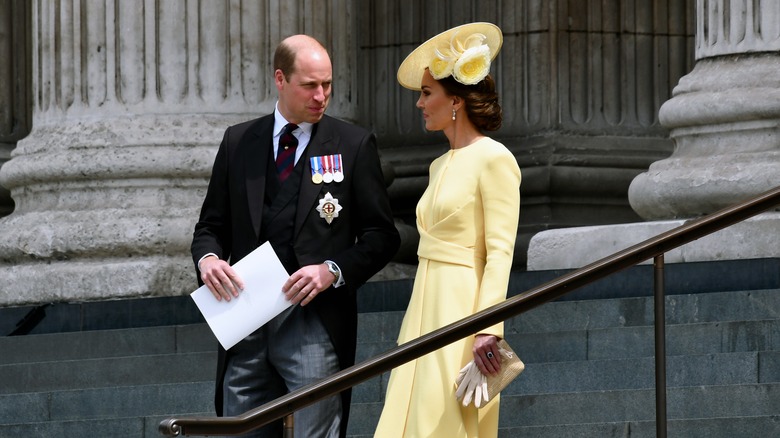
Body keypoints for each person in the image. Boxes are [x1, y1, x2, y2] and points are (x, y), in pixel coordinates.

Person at [191, 34, 400, 438]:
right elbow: (210, 227)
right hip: (245, 319)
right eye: (310, 85)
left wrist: (332, 270)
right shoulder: (238, 142)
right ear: (280, 79)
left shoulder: (354, 144)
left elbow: (382, 235)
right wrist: (209, 261)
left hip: (314, 320)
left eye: (327, 84)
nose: (321, 96)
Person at [374, 22, 521, 437]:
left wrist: (488, 327)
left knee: (444, 420)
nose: (420, 103)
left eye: (426, 93)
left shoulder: (495, 158)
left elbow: (500, 252)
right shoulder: (438, 164)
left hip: (462, 308)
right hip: (424, 301)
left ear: (455, 101)